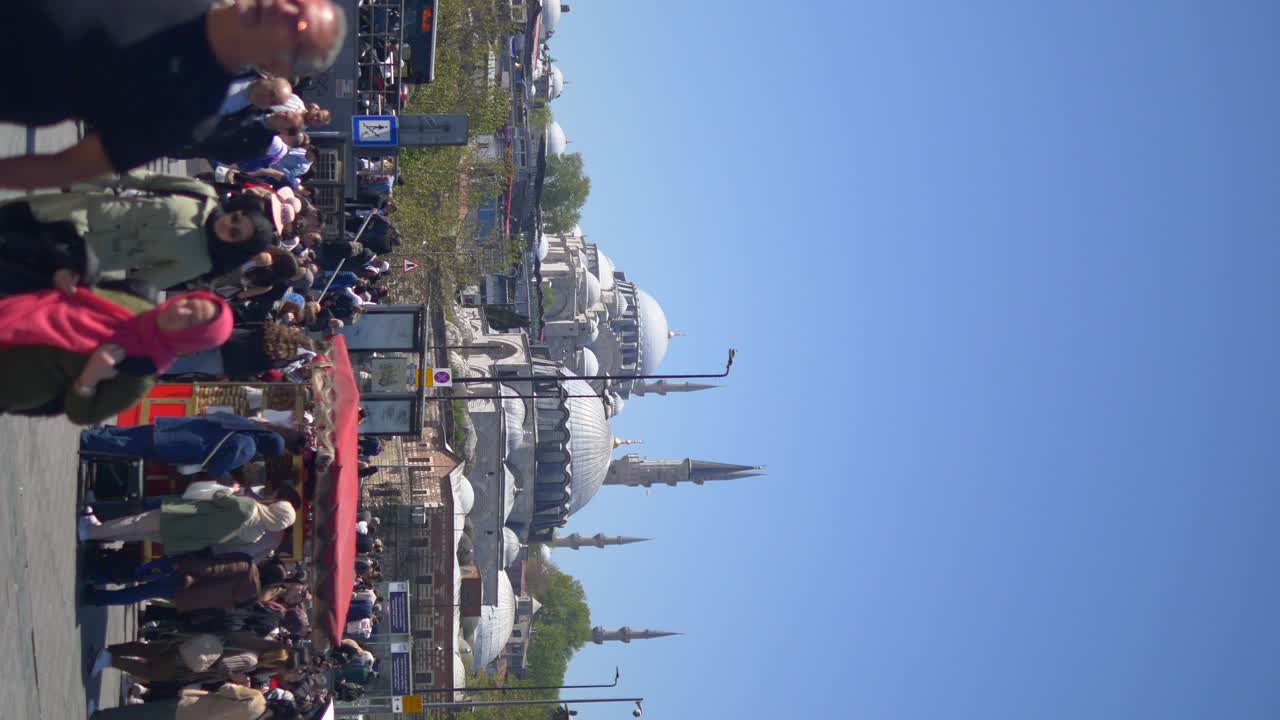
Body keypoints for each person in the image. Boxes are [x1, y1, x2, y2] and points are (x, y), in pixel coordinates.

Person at [0, 0, 347, 190]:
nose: (283, 9)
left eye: (296, 26)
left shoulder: (190, 113)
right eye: (295, 2)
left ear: (279, 64)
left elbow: (65, 167)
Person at [0, 171, 275, 291]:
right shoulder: (203, 195)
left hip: (71, 253)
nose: (229, 225)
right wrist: (81, 173)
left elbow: (142, 283)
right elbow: (143, 179)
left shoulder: (199, 262)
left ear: (236, 247)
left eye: (235, 233)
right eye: (236, 218)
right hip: (67, 210)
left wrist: (88, 283)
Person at [0, 290, 232, 425]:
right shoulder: (137, 303)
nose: (180, 311)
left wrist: (89, 380)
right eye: (189, 302)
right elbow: (83, 295)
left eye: (190, 321)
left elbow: (82, 415)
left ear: (192, 339)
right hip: (12, 323)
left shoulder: (140, 372)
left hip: (15, 381)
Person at [79, 489, 298, 555]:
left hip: (187, 516)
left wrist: (229, 491)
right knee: (140, 534)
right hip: (189, 538)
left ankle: (91, 532)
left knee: (138, 522)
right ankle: (98, 530)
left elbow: (219, 498)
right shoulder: (256, 535)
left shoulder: (249, 507)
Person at [79, 412, 292, 478]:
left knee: (136, 433)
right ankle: (90, 441)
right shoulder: (247, 448)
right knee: (133, 445)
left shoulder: (248, 427)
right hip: (185, 445)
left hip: (185, 427)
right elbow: (218, 468)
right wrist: (227, 480)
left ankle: (99, 434)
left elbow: (219, 415)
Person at [88, 683, 273, 720]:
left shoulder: (257, 698)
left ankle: (100, 716)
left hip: (193, 707)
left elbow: (227, 689)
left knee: (142, 713)